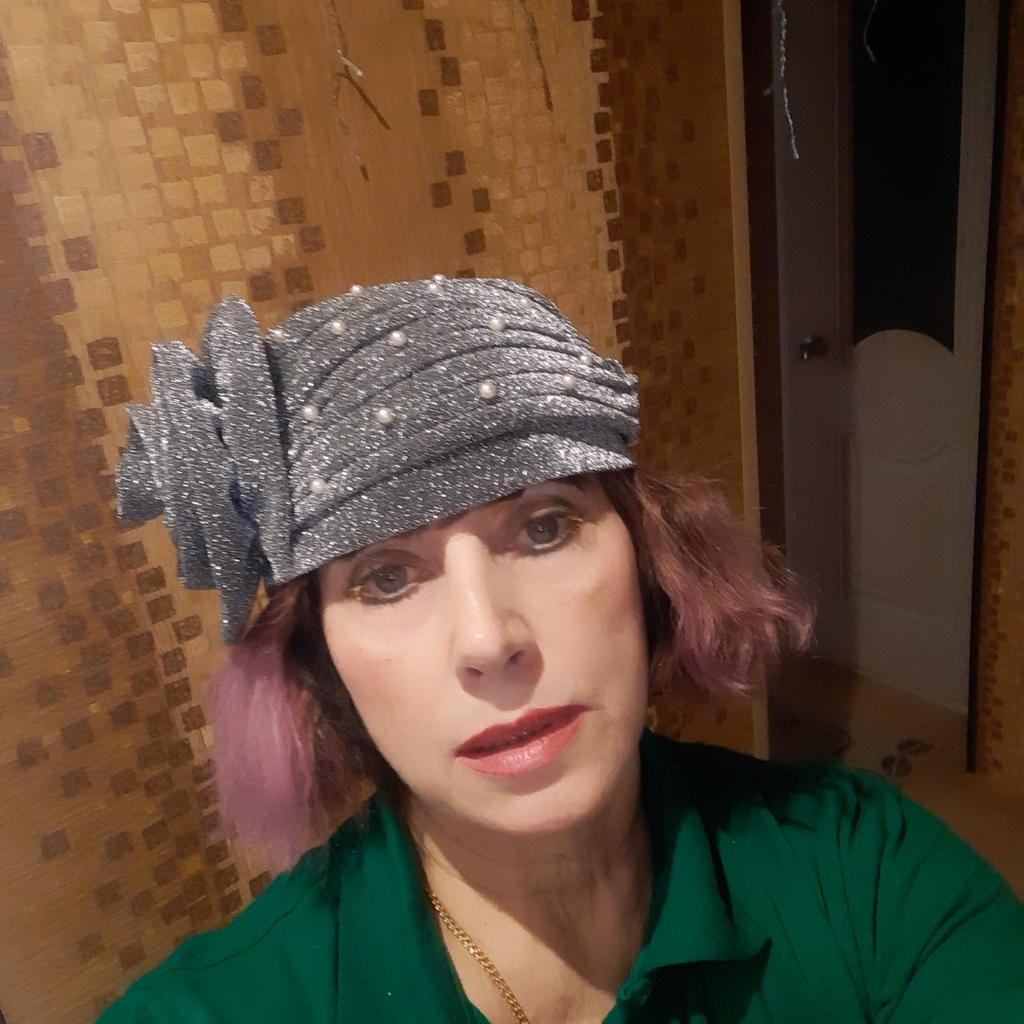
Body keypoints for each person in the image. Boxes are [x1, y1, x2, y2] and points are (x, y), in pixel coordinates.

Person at [99, 278, 1024, 1023]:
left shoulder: (866, 868)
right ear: (319, 662)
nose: (489, 640)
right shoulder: (220, 1005)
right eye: (384, 577)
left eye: (543, 528)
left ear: (653, 565)